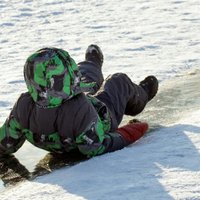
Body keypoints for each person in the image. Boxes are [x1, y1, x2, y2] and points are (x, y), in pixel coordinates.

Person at [0, 45, 158, 162]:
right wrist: (130, 131)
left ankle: (92, 63)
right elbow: (95, 147)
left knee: (84, 78)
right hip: (102, 116)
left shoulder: (24, 105)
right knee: (117, 82)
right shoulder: (79, 109)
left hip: (72, 110)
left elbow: (5, 143)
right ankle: (142, 94)